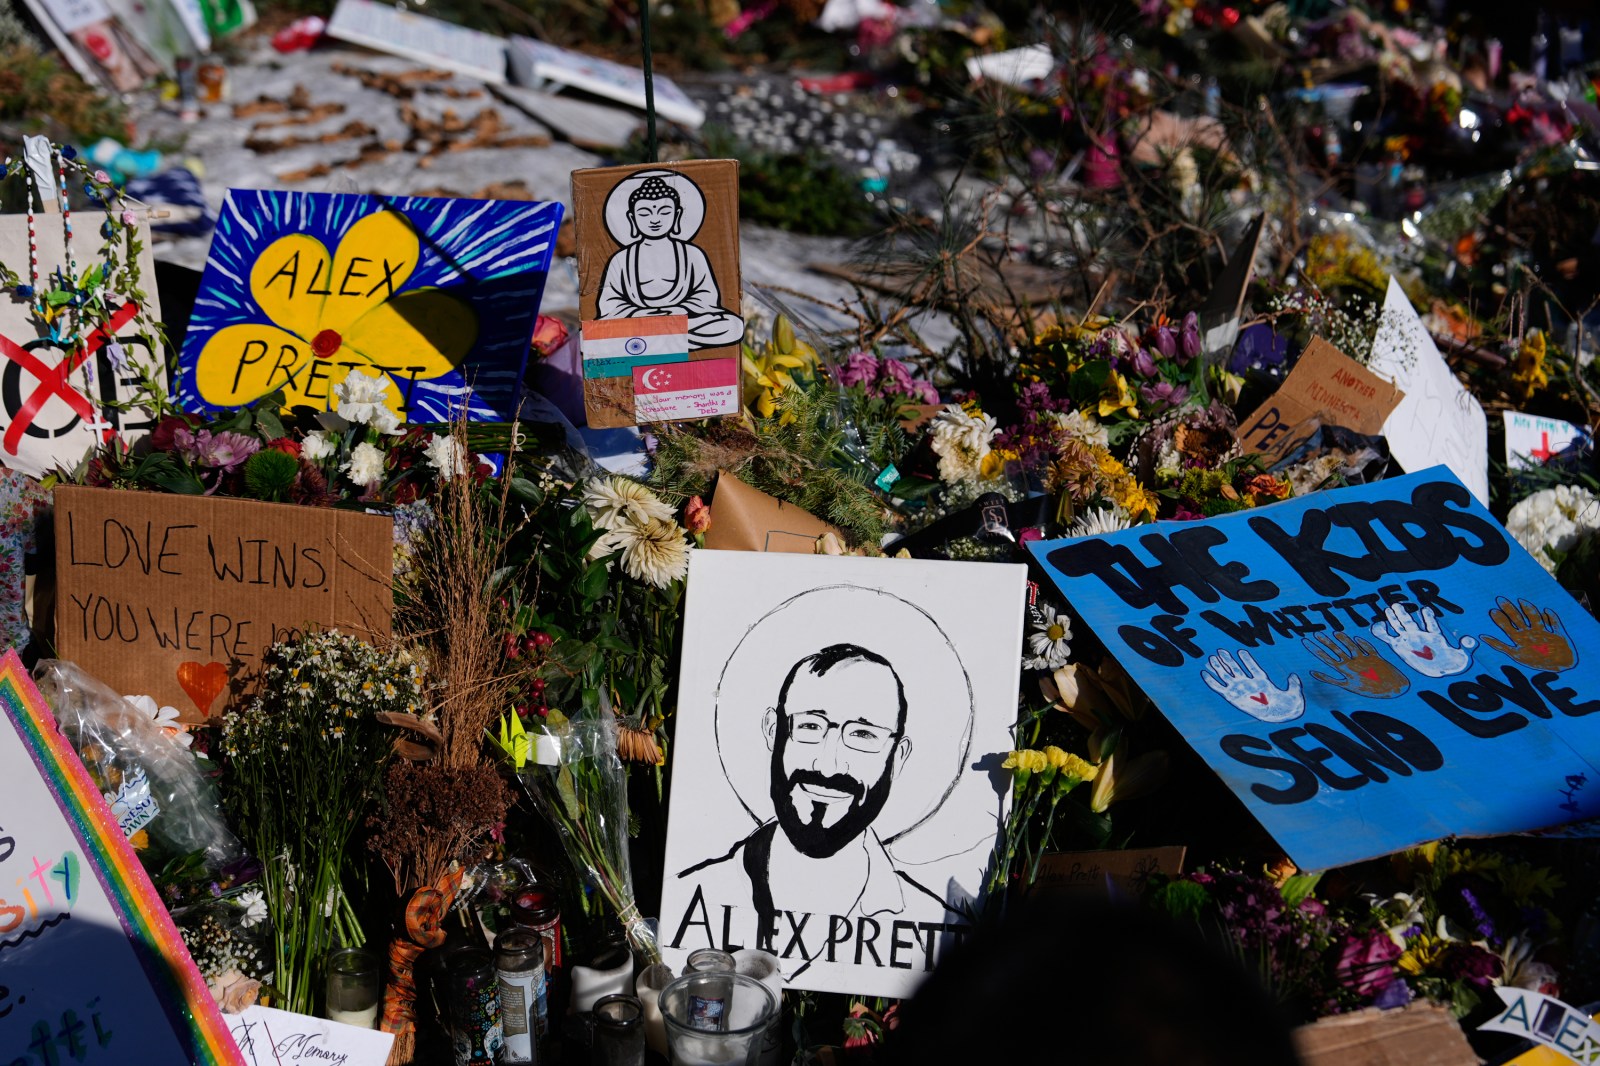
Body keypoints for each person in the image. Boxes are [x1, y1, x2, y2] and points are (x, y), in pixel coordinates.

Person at [672, 643, 965, 951]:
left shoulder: (933, 931)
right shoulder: (689, 896)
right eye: (810, 726)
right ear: (773, 732)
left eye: (863, 735)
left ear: (898, 756)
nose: (828, 766)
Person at [596, 173, 744, 349]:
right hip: (640, 325)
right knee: (593, 337)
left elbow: (707, 297)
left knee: (732, 326)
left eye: (664, 211)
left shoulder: (692, 253)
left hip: (682, 323)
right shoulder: (621, 259)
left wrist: (680, 310)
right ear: (632, 218)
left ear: (677, 214)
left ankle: (649, 345)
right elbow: (609, 303)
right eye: (644, 213)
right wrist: (639, 314)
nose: (655, 219)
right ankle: (666, 342)